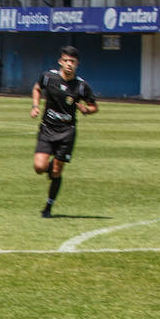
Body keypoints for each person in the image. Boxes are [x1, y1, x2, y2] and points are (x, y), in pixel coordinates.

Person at [31, 45, 99, 218]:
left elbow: (94, 107)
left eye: (73, 62)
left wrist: (86, 110)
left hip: (67, 132)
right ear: (60, 62)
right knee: (39, 167)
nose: (69, 64)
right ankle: (53, 165)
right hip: (47, 128)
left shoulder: (81, 86)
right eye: (66, 61)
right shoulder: (48, 77)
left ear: (77, 64)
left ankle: (48, 207)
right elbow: (36, 88)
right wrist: (35, 106)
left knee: (56, 171)